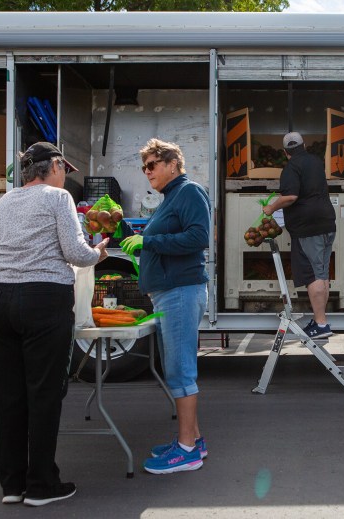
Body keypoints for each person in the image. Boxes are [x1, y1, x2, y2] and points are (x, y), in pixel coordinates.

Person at [0, 142, 109, 506]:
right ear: (53, 166)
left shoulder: (3, 202)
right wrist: (98, 252)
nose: (65, 177)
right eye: (64, 170)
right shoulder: (58, 200)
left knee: (9, 395)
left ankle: (12, 485)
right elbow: (74, 252)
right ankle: (41, 485)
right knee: (43, 392)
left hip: (0, 298)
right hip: (43, 298)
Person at [119, 138, 211, 474]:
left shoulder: (189, 192)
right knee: (177, 369)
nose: (147, 172)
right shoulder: (171, 198)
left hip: (180, 292)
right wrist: (129, 232)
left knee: (180, 370)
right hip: (169, 293)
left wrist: (149, 241)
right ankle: (194, 441)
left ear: (173, 163)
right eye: (144, 167)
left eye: (152, 165)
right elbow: (164, 238)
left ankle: (186, 450)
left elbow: (199, 237)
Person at [262, 131, 337, 339]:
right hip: (326, 223)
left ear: (286, 152)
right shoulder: (315, 162)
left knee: (314, 275)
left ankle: (321, 324)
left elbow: (290, 196)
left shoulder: (291, 167)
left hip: (308, 228)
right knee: (322, 273)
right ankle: (321, 320)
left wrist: (272, 207)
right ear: (304, 146)